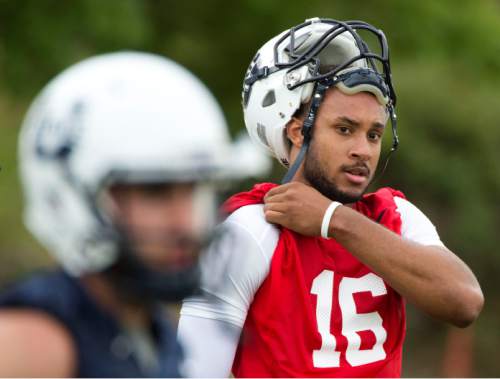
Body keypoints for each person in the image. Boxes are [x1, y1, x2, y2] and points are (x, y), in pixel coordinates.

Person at [177, 18, 484, 377]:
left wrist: (333, 219)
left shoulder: (395, 215)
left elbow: (464, 302)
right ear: (295, 132)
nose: (363, 150)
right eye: (344, 129)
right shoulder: (250, 231)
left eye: (373, 134)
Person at [0, 51, 248, 377]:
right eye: (154, 193)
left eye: (193, 191)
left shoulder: (151, 331)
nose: (185, 223)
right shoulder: (33, 342)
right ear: (74, 195)